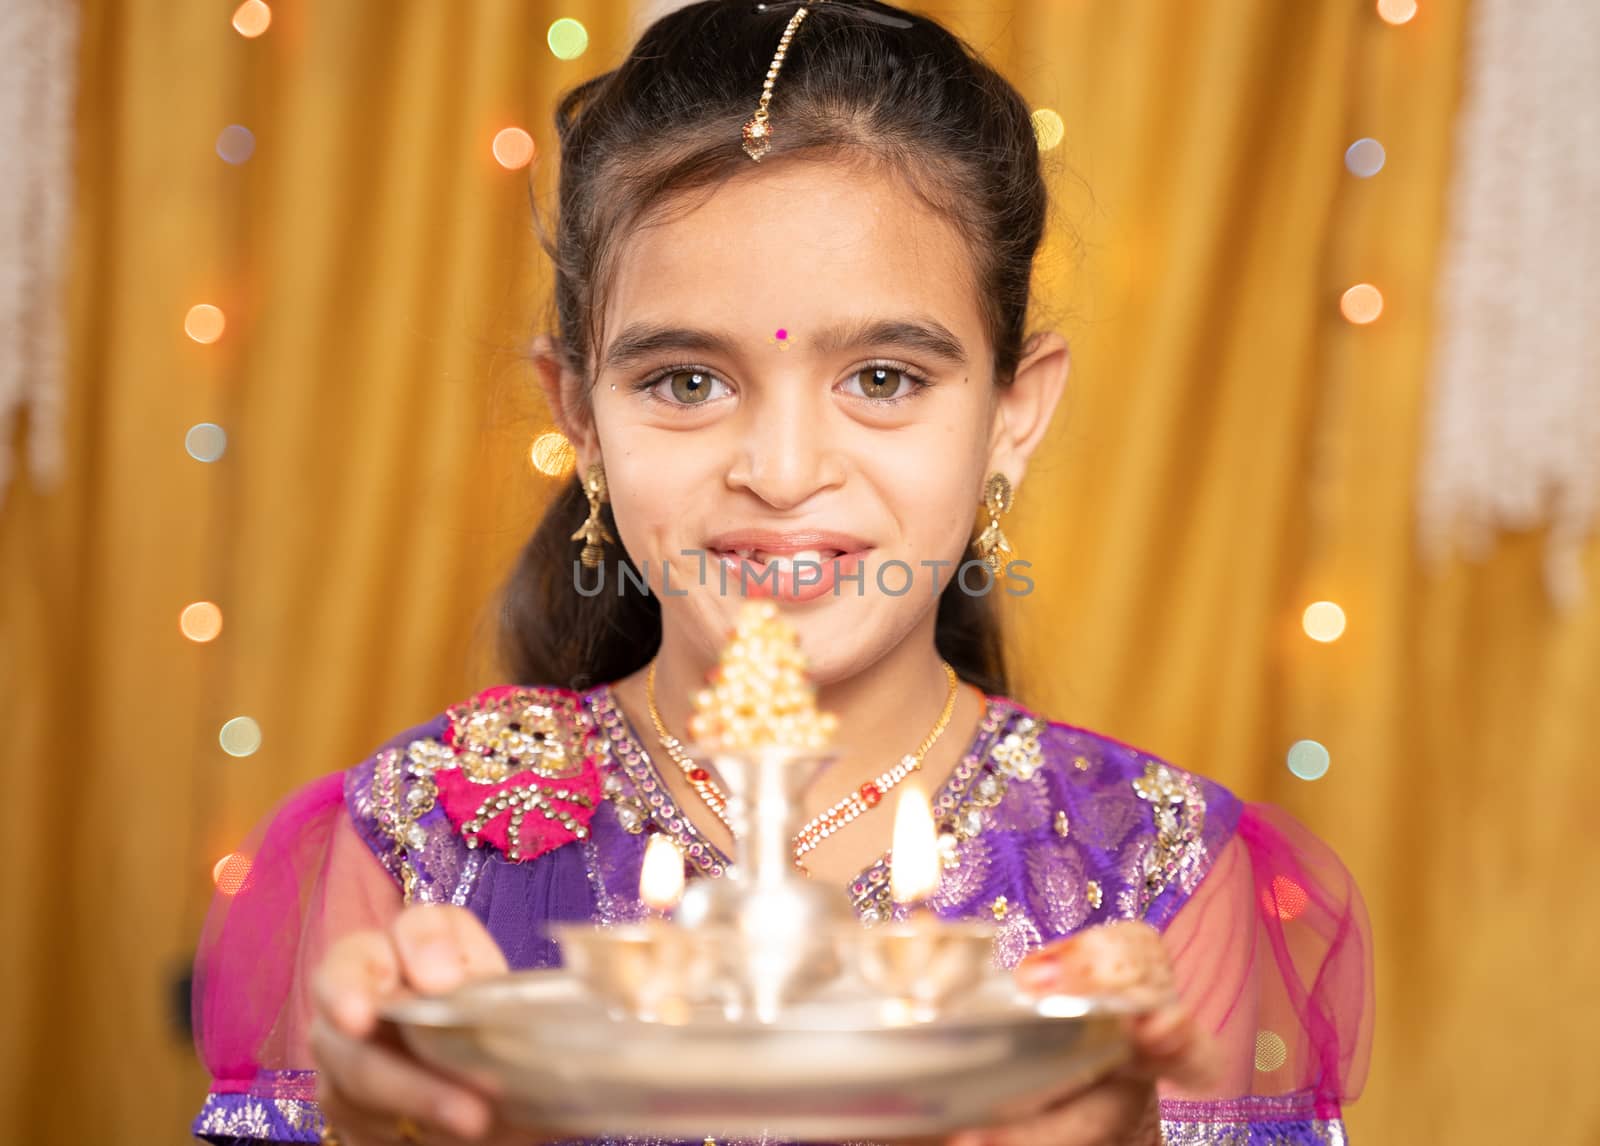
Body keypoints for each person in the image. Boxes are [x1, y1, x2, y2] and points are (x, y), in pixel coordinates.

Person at [189, 2, 1373, 1143]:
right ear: (581, 417)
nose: (784, 471)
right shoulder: (415, 842)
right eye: (687, 382)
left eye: (885, 379)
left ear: (1014, 413)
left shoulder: (1153, 874)